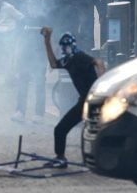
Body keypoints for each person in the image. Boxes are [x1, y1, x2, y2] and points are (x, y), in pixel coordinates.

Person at [40, 26, 104, 168]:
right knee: (62, 129)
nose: (65, 49)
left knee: (94, 131)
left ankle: (96, 159)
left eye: (67, 46)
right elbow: (53, 64)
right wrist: (47, 40)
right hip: (84, 101)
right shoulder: (68, 61)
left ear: (72, 45)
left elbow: (99, 62)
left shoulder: (79, 56)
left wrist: (103, 83)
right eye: (63, 46)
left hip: (92, 101)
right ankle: (61, 158)